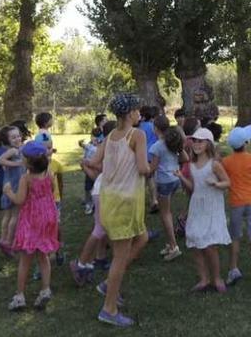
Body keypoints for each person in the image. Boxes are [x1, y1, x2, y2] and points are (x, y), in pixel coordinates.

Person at [87, 93, 151, 328]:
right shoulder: (138, 134)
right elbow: (144, 168)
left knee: (142, 237)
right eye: (137, 110)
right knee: (120, 257)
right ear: (130, 113)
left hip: (109, 199)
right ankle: (109, 308)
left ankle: (107, 286)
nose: (139, 114)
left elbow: (93, 162)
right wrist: (156, 164)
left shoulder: (111, 135)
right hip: (126, 201)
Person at [3, 141, 59, 311]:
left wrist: (8, 192)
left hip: (31, 219)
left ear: (27, 162)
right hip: (48, 216)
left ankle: (20, 296)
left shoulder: (26, 178)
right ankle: (45, 290)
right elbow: (53, 189)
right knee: (43, 256)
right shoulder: (49, 173)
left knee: (26, 258)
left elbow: (20, 200)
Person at [175, 127, 232, 293]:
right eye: (194, 141)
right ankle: (203, 278)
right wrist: (181, 177)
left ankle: (217, 278)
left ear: (208, 143)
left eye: (201, 141)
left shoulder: (214, 164)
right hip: (197, 205)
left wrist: (216, 184)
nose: (197, 144)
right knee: (194, 240)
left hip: (212, 207)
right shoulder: (192, 165)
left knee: (209, 245)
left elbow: (228, 183)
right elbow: (194, 187)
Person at [70, 120, 118, 286]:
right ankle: (81, 264)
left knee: (104, 228)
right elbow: (100, 169)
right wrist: (88, 165)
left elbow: (97, 172)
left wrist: (87, 166)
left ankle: (93, 260)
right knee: (100, 229)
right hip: (103, 192)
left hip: (105, 190)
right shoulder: (109, 146)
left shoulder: (109, 146)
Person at [223, 125, 251, 289]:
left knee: (235, 237)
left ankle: (233, 269)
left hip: (236, 203)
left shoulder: (226, 162)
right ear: (246, 143)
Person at [149, 115, 188, 261]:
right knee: (168, 212)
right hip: (174, 179)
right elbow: (185, 158)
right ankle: (169, 244)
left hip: (164, 182)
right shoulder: (172, 141)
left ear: (156, 128)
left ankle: (173, 246)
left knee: (165, 214)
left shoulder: (157, 146)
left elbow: (152, 168)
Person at [0, 126, 25, 256]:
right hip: (14, 188)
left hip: (8, 186)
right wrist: (18, 164)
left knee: (7, 216)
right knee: (15, 215)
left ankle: (3, 239)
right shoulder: (13, 151)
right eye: (13, 137)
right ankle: (9, 241)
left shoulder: (18, 150)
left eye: (18, 135)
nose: (17, 138)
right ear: (7, 140)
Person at [80, 114, 107, 215]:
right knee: (89, 183)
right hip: (92, 160)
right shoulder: (96, 132)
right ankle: (88, 203)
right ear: (100, 122)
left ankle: (97, 202)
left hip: (100, 162)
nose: (106, 121)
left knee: (99, 183)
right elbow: (91, 144)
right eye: (105, 120)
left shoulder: (107, 132)